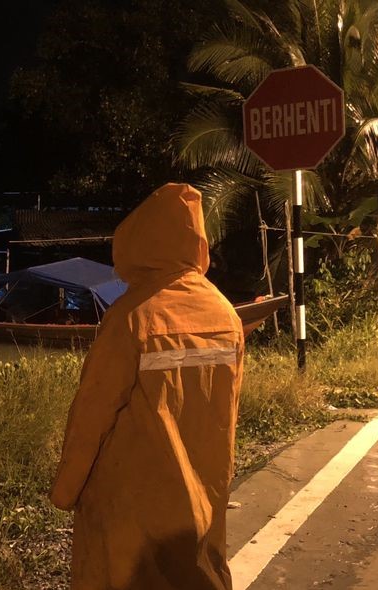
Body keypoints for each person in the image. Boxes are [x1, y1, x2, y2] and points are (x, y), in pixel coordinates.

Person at [50, 183, 244, 589]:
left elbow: (92, 415)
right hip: (201, 494)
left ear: (139, 243)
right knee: (196, 574)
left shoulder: (133, 317)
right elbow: (226, 414)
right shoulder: (226, 315)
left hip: (133, 497)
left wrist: (65, 491)